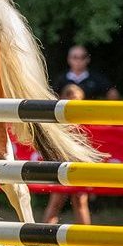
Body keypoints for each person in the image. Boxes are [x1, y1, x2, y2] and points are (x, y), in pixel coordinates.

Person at [43, 83, 91, 225]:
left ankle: (87, 239)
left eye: (78, 99)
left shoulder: (87, 121)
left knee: (80, 201)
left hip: (80, 164)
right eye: (71, 99)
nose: (75, 102)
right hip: (62, 162)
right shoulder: (58, 121)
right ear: (63, 99)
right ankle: (44, 236)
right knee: (56, 201)